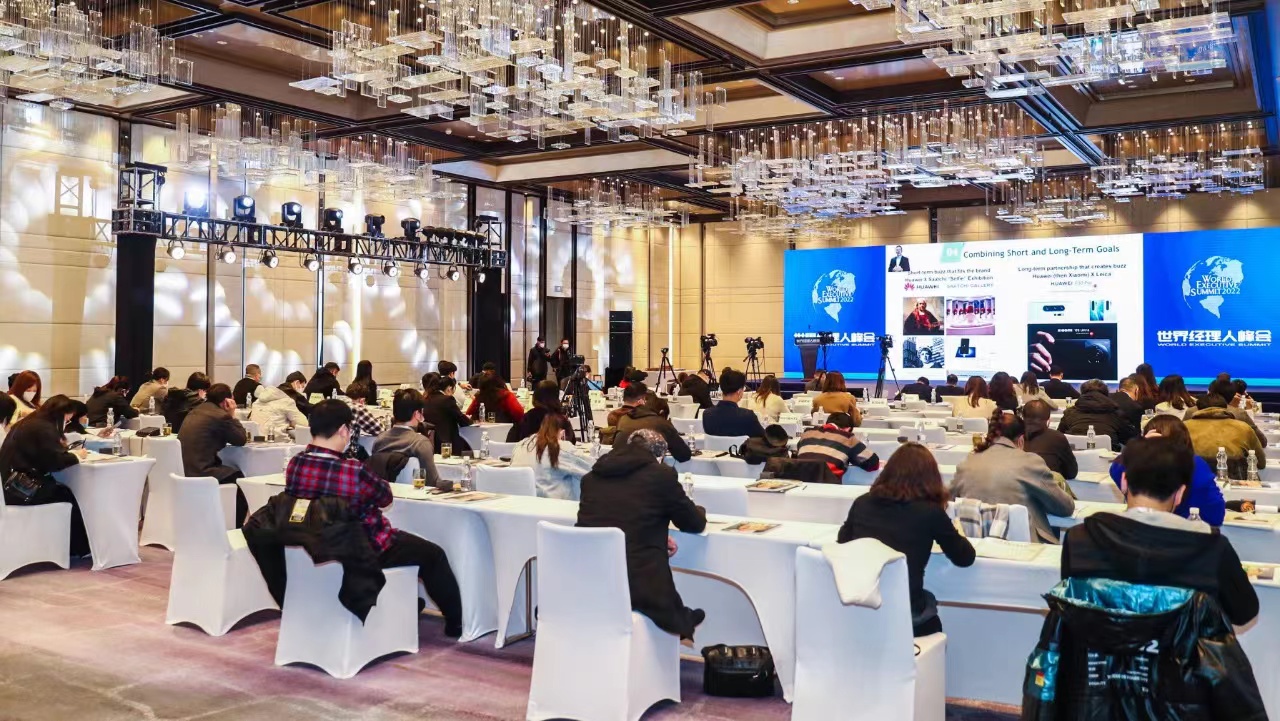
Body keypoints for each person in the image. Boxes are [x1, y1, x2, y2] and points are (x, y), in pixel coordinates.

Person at [285, 399, 463, 637]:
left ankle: (402, 603)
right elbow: (385, 498)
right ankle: (456, 623)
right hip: (367, 546)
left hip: (318, 541)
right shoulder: (353, 470)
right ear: (343, 430)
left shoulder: (296, 464)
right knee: (433, 555)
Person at [1062, 435, 1256, 626]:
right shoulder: (1211, 548)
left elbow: (1073, 607)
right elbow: (1244, 612)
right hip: (1181, 646)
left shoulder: (1079, 538)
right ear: (1180, 494)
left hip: (1098, 645)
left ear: (1124, 482)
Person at [576, 429, 708, 639]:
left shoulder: (591, 478)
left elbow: (616, 518)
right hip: (640, 585)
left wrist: (655, 532)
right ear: (659, 456)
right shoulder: (661, 475)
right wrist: (700, 510)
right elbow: (694, 523)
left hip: (588, 577)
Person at [837, 443, 974, 636]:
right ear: (931, 479)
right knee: (929, 602)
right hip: (906, 617)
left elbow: (843, 543)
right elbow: (965, 558)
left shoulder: (862, 503)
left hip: (861, 610)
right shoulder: (930, 513)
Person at [951, 410, 1075, 544]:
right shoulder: (1031, 462)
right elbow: (1065, 508)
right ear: (1021, 440)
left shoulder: (967, 462)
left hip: (975, 544)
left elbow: (947, 502)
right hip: (1025, 545)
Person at [0, 395, 90, 557]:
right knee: (66, 495)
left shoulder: (29, 423)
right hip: (21, 489)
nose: (67, 423)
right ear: (61, 414)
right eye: (67, 420)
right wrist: (77, 455)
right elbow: (54, 462)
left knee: (60, 490)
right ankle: (79, 548)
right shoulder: (43, 428)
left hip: (9, 485)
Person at [1108, 415, 1225, 526]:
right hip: (1189, 533)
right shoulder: (1195, 463)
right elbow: (1216, 515)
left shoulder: (1135, 463)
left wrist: (1140, 445)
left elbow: (1115, 469)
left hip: (1139, 528)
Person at [177, 383, 249, 524]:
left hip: (183, 469)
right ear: (226, 401)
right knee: (240, 479)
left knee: (227, 469)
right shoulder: (221, 416)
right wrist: (232, 414)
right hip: (201, 471)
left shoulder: (196, 410)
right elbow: (241, 439)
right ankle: (236, 526)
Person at [512, 414, 594, 500]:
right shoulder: (561, 448)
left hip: (519, 503)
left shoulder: (520, 445)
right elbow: (592, 468)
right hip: (554, 505)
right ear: (563, 434)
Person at [1185, 394, 1266, 480]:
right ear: (1226, 408)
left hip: (1192, 480)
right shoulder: (1243, 427)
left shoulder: (1184, 427)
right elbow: (1261, 463)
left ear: (1198, 408)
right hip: (1236, 481)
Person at [371, 389, 441, 487]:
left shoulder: (380, 440)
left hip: (384, 493)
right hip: (416, 494)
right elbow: (432, 482)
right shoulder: (420, 443)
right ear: (417, 414)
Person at [613, 382, 692, 462]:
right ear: (642, 401)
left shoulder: (623, 420)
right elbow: (684, 455)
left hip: (620, 467)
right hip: (647, 467)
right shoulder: (661, 423)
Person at [1056, 379, 1135, 451]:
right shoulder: (1116, 414)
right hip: (1108, 460)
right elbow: (1130, 438)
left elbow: (1059, 436)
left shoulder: (1070, 413)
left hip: (1075, 460)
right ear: (1106, 394)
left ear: (1082, 393)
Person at [795, 412, 879, 477]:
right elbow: (872, 463)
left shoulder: (807, 433)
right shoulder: (847, 437)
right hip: (828, 483)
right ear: (848, 429)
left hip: (800, 481)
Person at [702, 368, 765, 439]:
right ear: (739, 392)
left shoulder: (707, 415)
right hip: (741, 446)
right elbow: (764, 438)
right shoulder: (748, 416)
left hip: (715, 446)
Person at [1022, 399, 1077, 480]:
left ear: (1022, 416)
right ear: (1048, 419)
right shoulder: (1057, 438)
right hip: (1048, 486)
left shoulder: (1011, 436)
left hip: (1014, 485)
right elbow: (1071, 473)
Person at [508, 379, 575, 443]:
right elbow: (571, 443)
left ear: (534, 396)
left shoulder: (526, 419)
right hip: (555, 451)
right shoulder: (562, 421)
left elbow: (511, 442)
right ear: (556, 398)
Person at [1206, 378, 1267, 446]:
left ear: (1208, 392)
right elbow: (1262, 441)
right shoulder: (1239, 414)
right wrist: (1235, 408)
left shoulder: (1197, 410)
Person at [423, 375, 472, 454]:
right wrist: (471, 421)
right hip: (447, 441)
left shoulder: (425, 398)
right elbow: (461, 419)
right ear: (449, 388)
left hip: (430, 441)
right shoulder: (447, 399)